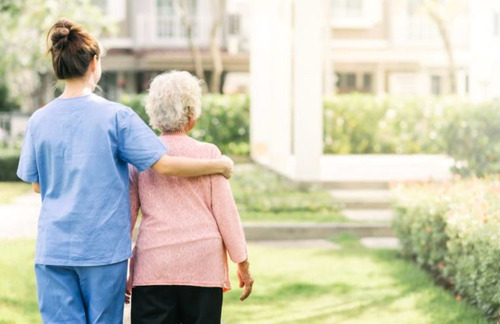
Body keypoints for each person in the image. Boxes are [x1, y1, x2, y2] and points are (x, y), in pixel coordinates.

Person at [16, 19, 233, 324]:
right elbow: (165, 164)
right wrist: (218, 165)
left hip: (53, 250)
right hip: (103, 252)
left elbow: (37, 185)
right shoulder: (116, 116)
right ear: (95, 63)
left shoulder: (38, 120)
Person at [126, 71, 254, 324]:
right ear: (191, 115)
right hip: (202, 265)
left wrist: (120, 270)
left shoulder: (141, 158)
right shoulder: (209, 154)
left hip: (154, 267)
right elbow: (226, 214)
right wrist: (243, 263)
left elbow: (125, 218)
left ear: (154, 112)